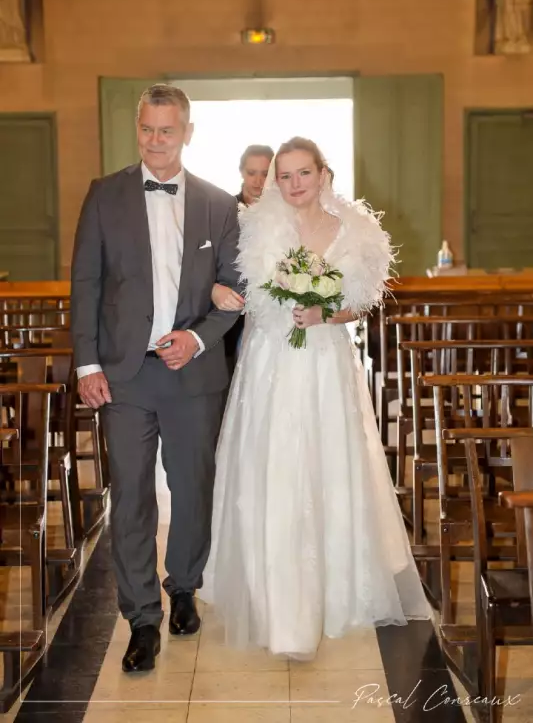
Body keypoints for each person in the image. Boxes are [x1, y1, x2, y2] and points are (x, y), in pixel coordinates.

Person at [200, 137, 430, 659]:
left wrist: (325, 314)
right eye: (285, 175)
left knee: (326, 463)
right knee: (274, 464)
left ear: (323, 173)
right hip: (270, 361)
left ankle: (333, 584)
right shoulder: (255, 225)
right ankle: (273, 595)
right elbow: (237, 285)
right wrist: (222, 293)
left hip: (325, 360)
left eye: (304, 173)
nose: (294, 183)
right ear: (274, 180)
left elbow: (363, 300)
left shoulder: (356, 229)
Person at [70, 84, 241, 673]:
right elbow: (87, 284)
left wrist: (197, 337)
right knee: (132, 499)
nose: (156, 141)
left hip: (192, 374)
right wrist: (87, 363)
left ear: (187, 132)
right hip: (124, 376)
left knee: (193, 489)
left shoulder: (220, 205)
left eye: (167, 130)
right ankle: (141, 617)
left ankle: (184, 586)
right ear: (137, 128)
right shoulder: (104, 196)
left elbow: (234, 295)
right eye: (147, 129)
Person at [220, 144, 274, 371]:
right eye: (252, 173)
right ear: (241, 171)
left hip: (272, 309)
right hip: (231, 309)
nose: (258, 181)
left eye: (265, 173)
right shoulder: (223, 209)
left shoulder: (285, 212)